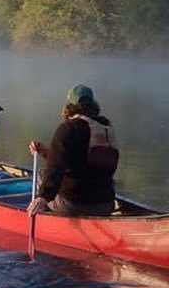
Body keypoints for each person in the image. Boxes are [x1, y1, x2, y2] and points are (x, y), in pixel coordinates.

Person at [26, 84, 119, 217]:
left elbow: (55, 167)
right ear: (93, 105)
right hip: (106, 205)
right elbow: (81, 162)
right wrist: (44, 151)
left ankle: (45, 215)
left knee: (41, 174)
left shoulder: (68, 128)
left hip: (72, 206)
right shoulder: (106, 128)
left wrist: (43, 197)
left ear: (69, 107)